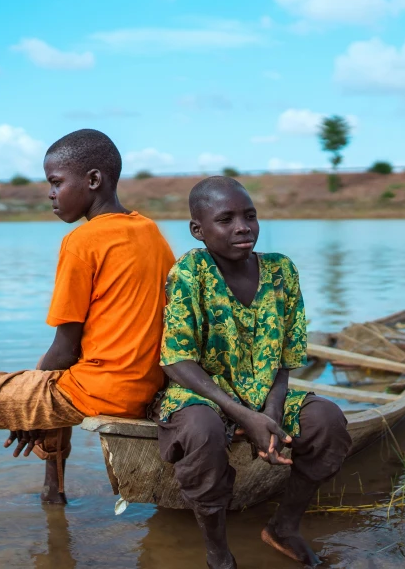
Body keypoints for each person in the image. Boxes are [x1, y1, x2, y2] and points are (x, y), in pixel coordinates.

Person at [0, 129, 175, 545]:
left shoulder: (82, 241)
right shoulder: (149, 231)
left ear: (93, 180)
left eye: (56, 182)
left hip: (104, 389)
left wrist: (30, 400)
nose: (50, 194)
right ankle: (53, 494)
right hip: (142, 385)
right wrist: (31, 397)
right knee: (47, 379)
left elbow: (64, 348)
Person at [151, 176, 352, 568]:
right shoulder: (191, 272)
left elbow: (287, 356)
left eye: (250, 215)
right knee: (201, 432)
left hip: (264, 394)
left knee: (327, 421)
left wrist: (272, 411)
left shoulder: (281, 271)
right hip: (202, 395)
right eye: (225, 219)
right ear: (198, 230)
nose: (243, 227)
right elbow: (176, 360)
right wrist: (244, 416)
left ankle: (284, 527)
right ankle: (218, 554)